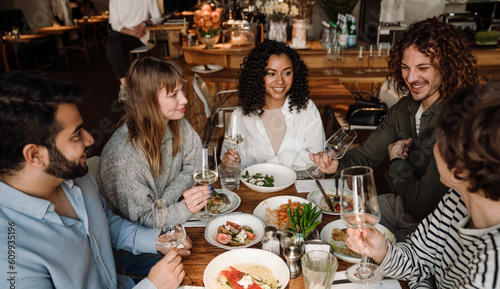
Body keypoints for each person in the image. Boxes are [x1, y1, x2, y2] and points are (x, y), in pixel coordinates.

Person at [0, 71, 191, 289]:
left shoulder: (76, 177)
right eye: (76, 135)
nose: (90, 140)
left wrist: (155, 240)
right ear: (35, 155)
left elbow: (103, 223)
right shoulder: (8, 256)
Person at [346, 82, 500, 289]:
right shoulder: (458, 198)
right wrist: (383, 251)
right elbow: (418, 258)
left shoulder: (492, 276)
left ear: (458, 169)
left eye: (439, 139)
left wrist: (421, 279)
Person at [311, 17, 478, 241]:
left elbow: (421, 206)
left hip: (436, 232)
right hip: (396, 207)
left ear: (446, 67)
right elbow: (365, 155)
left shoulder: (457, 121)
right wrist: (336, 164)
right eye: (405, 68)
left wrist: (396, 162)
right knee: (330, 233)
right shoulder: (404, 109)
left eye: (423, 68)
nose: (410, 77)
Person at [97, 57, 210, 229]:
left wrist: (165, 199)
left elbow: (195, 164)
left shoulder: (176, 121)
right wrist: (184, 207)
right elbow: (142, 220)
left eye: (182, 91)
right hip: (137, 242)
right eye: (174, 95)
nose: (185, 100)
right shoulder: (127, 158)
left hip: (169, 217)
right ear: (148, 101)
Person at [221, 40, 325, 171]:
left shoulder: (307, 109)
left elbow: (316, 160)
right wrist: (230, 163)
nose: (280, 81)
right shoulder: (240, 116)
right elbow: (229, 165)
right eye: (271, 73)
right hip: (254, 190)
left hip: (297, 189)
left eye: (287, 73)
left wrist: (265, 166)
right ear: (258, 76)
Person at [107, 0, 162, 101]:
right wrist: (130, 31)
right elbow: (114, 24)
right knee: (111, 40)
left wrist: (145, 23)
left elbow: (157, 18)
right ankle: (124, 84)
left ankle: (139, 86)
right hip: (124, 33)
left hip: (141, 36)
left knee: (116, 46)